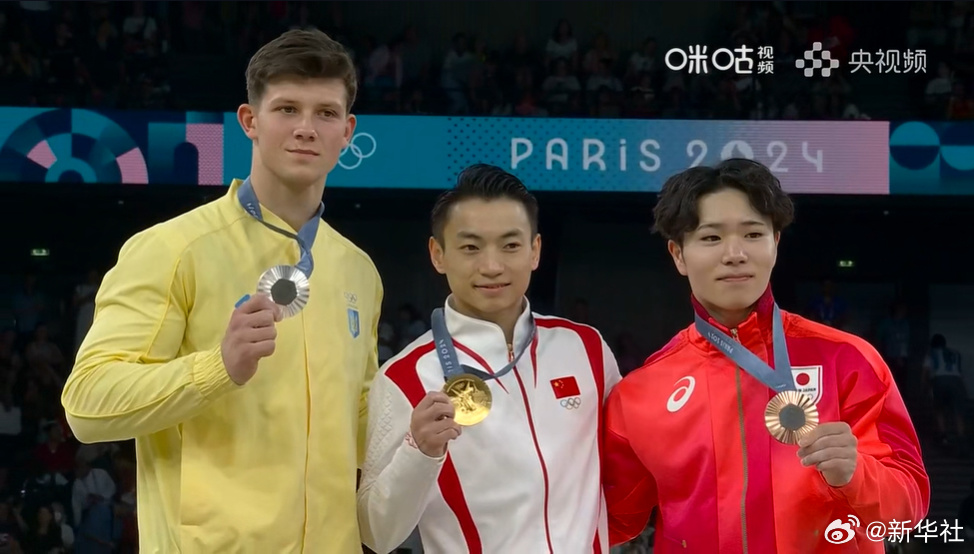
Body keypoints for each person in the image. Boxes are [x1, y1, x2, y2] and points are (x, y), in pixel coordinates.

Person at [61, 29, 382, 553]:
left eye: (325, 113)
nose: (306, 128)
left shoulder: (359, 270)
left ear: (347, 131)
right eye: (287, 109)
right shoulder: (172, 249)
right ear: (250, 121)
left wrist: (417, 427)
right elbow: (87, 404)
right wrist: (218, 368)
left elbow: (361, 417)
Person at [603, 159, 929, 553]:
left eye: (753, 234)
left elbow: (908, 509)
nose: (735, 253)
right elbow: (608, 520)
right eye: (711, 237)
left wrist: (856, 473)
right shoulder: (641, 392)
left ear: (775, 242)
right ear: (678, 254)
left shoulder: (848, 360)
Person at [357, 164, 621, 553]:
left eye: (510, 245)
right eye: (471, 247)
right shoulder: (405, 378)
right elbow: (377, 534)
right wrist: (419, 451)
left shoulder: (585, 348)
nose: (492, 266)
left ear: (535, 251)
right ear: (438, 254)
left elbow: (626, 475)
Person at [921, 334, 967, 446]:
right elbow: (959, 371)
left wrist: (925, 386)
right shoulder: (955, 353)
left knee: (939, 409)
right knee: (958, 411)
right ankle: (961, 437)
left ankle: (943, 435)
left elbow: (925, 372)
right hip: (956, 381)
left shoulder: (931, 353)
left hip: (939, 380)